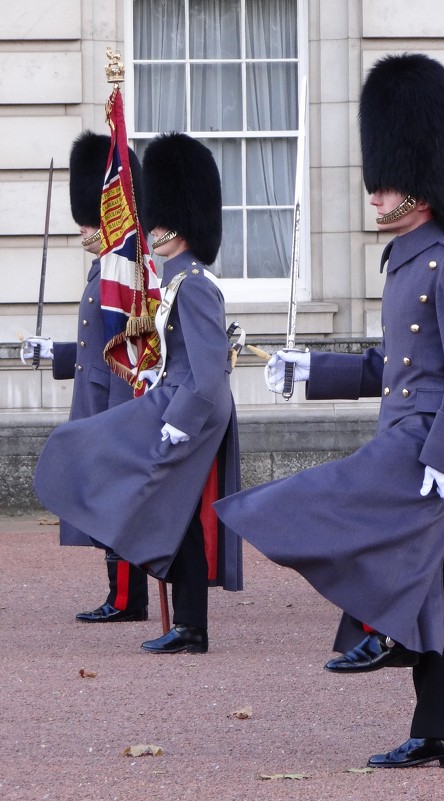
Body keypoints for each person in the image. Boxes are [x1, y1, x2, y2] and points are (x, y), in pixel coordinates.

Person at [214, 53, 444, 769]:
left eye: (386, 184)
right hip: (408, 435)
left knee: (324, 503)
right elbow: (390, 368)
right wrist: (312, 367)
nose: (374, 196)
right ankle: (440, 731)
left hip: (432, 447)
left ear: (422, 184)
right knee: (433, 585)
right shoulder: (405, 259)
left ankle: (377, 632)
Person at [34, 132, 242, 654]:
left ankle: (190, 625)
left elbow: (209, 371)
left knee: (176, 515)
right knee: (175, 517)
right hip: (171, 405)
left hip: (186, 416)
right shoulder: (174, 280)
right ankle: (188, 625)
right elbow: (178, 355)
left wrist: (180, 418)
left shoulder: (192, 282)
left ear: (175, 221)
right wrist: (154, 379)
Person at [22, 131, 148, 624]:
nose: (82, 230)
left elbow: (124, 349)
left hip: (113, 404)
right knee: (101, 498)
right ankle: (120, 595)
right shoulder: (105, 270)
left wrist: (121, 417)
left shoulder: (127, 271)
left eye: (89, 220)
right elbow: (95, 347)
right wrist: (52, 351)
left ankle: (125, 599)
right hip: (96, 400)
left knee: (114, 499)